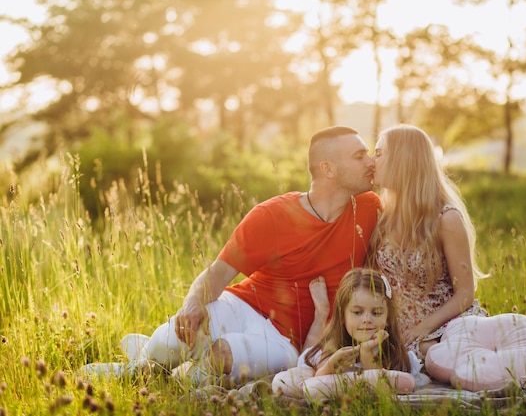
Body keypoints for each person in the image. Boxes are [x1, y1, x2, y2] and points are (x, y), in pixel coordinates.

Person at [79, 125, 381, 385]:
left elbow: (412, 199)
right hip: (242, 305)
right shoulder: (272, 215)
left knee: (221, 356)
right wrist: (192, 305)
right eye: (360, 156)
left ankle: (182, 370)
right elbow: (218, 273)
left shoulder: (370, 208)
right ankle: (142, 366)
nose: (371, 162)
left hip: (285, 341)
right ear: (328, 169)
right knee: (174, 339)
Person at [369, 124, 489, 360]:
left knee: (432, 352)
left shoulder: (446, 218)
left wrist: (423, 329)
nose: (372, 161)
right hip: (397, 331)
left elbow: (465, 293)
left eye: (380, 153)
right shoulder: (380, 215)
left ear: (403, 161)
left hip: (444, 325)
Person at [272, 268, 429, 401]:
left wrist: (367, 355)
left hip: (348, 386)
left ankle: (331, 390)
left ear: (388, 318)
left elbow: (380, 384)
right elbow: (320, 376)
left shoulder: (394, 352)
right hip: (326, 380)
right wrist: (331, 366)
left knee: (400, 381)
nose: (367, 320)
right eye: (357, 312)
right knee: (284, 381)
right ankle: (320, 315)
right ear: (342, 316)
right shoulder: (331, 346)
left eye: (376, 313)